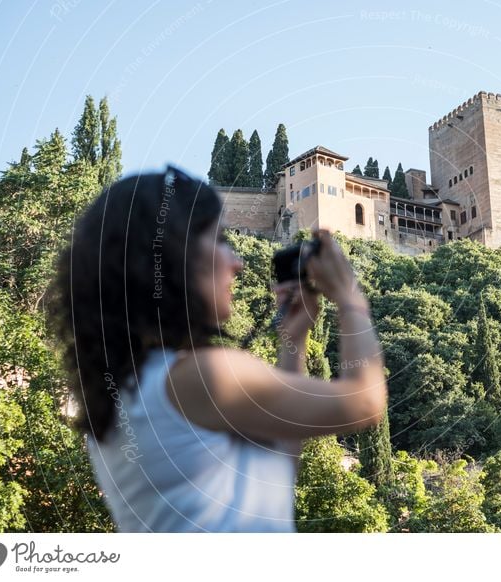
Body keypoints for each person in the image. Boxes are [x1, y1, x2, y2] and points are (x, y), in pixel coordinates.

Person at [48, 166, 387, 532]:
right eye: (221, 240)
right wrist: (350, 298)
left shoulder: (125, 394)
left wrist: (294, 341)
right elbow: (364, 403)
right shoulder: (201, 376)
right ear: (173, 255)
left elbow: (275, 478)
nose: (237, 263)